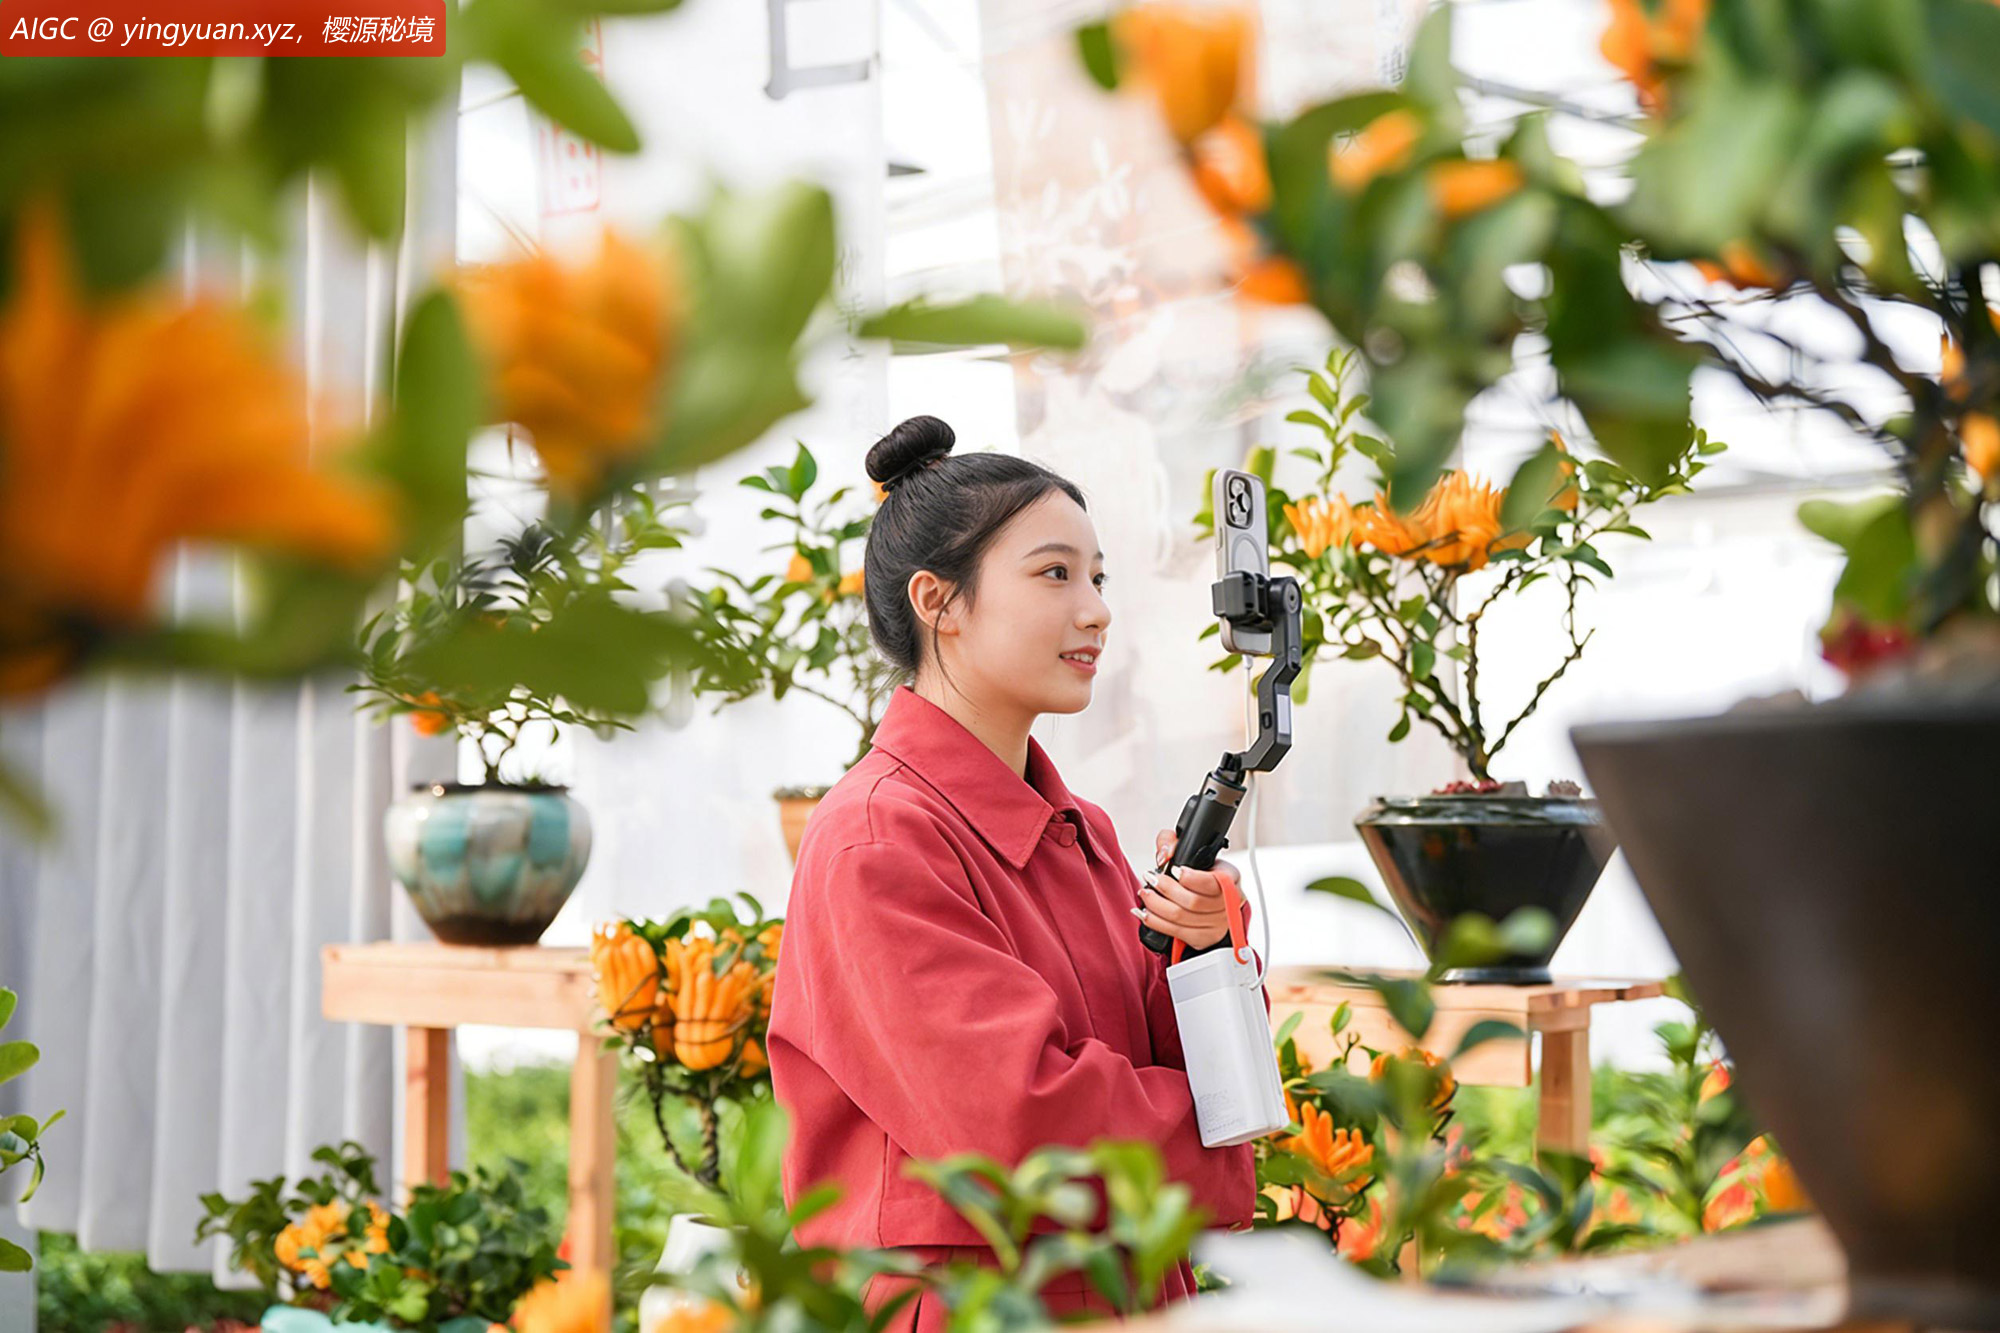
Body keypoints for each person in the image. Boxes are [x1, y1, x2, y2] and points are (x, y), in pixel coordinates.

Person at [767, 415, 1270, 1333]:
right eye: (1054, 574)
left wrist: (1201, 953)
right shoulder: (877, 842)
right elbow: (1021, 1123)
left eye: (1098, 577)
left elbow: (1206, 1071)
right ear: (939, 601)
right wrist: (1215, 1135)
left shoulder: (1084, 832)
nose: (1097, 609)